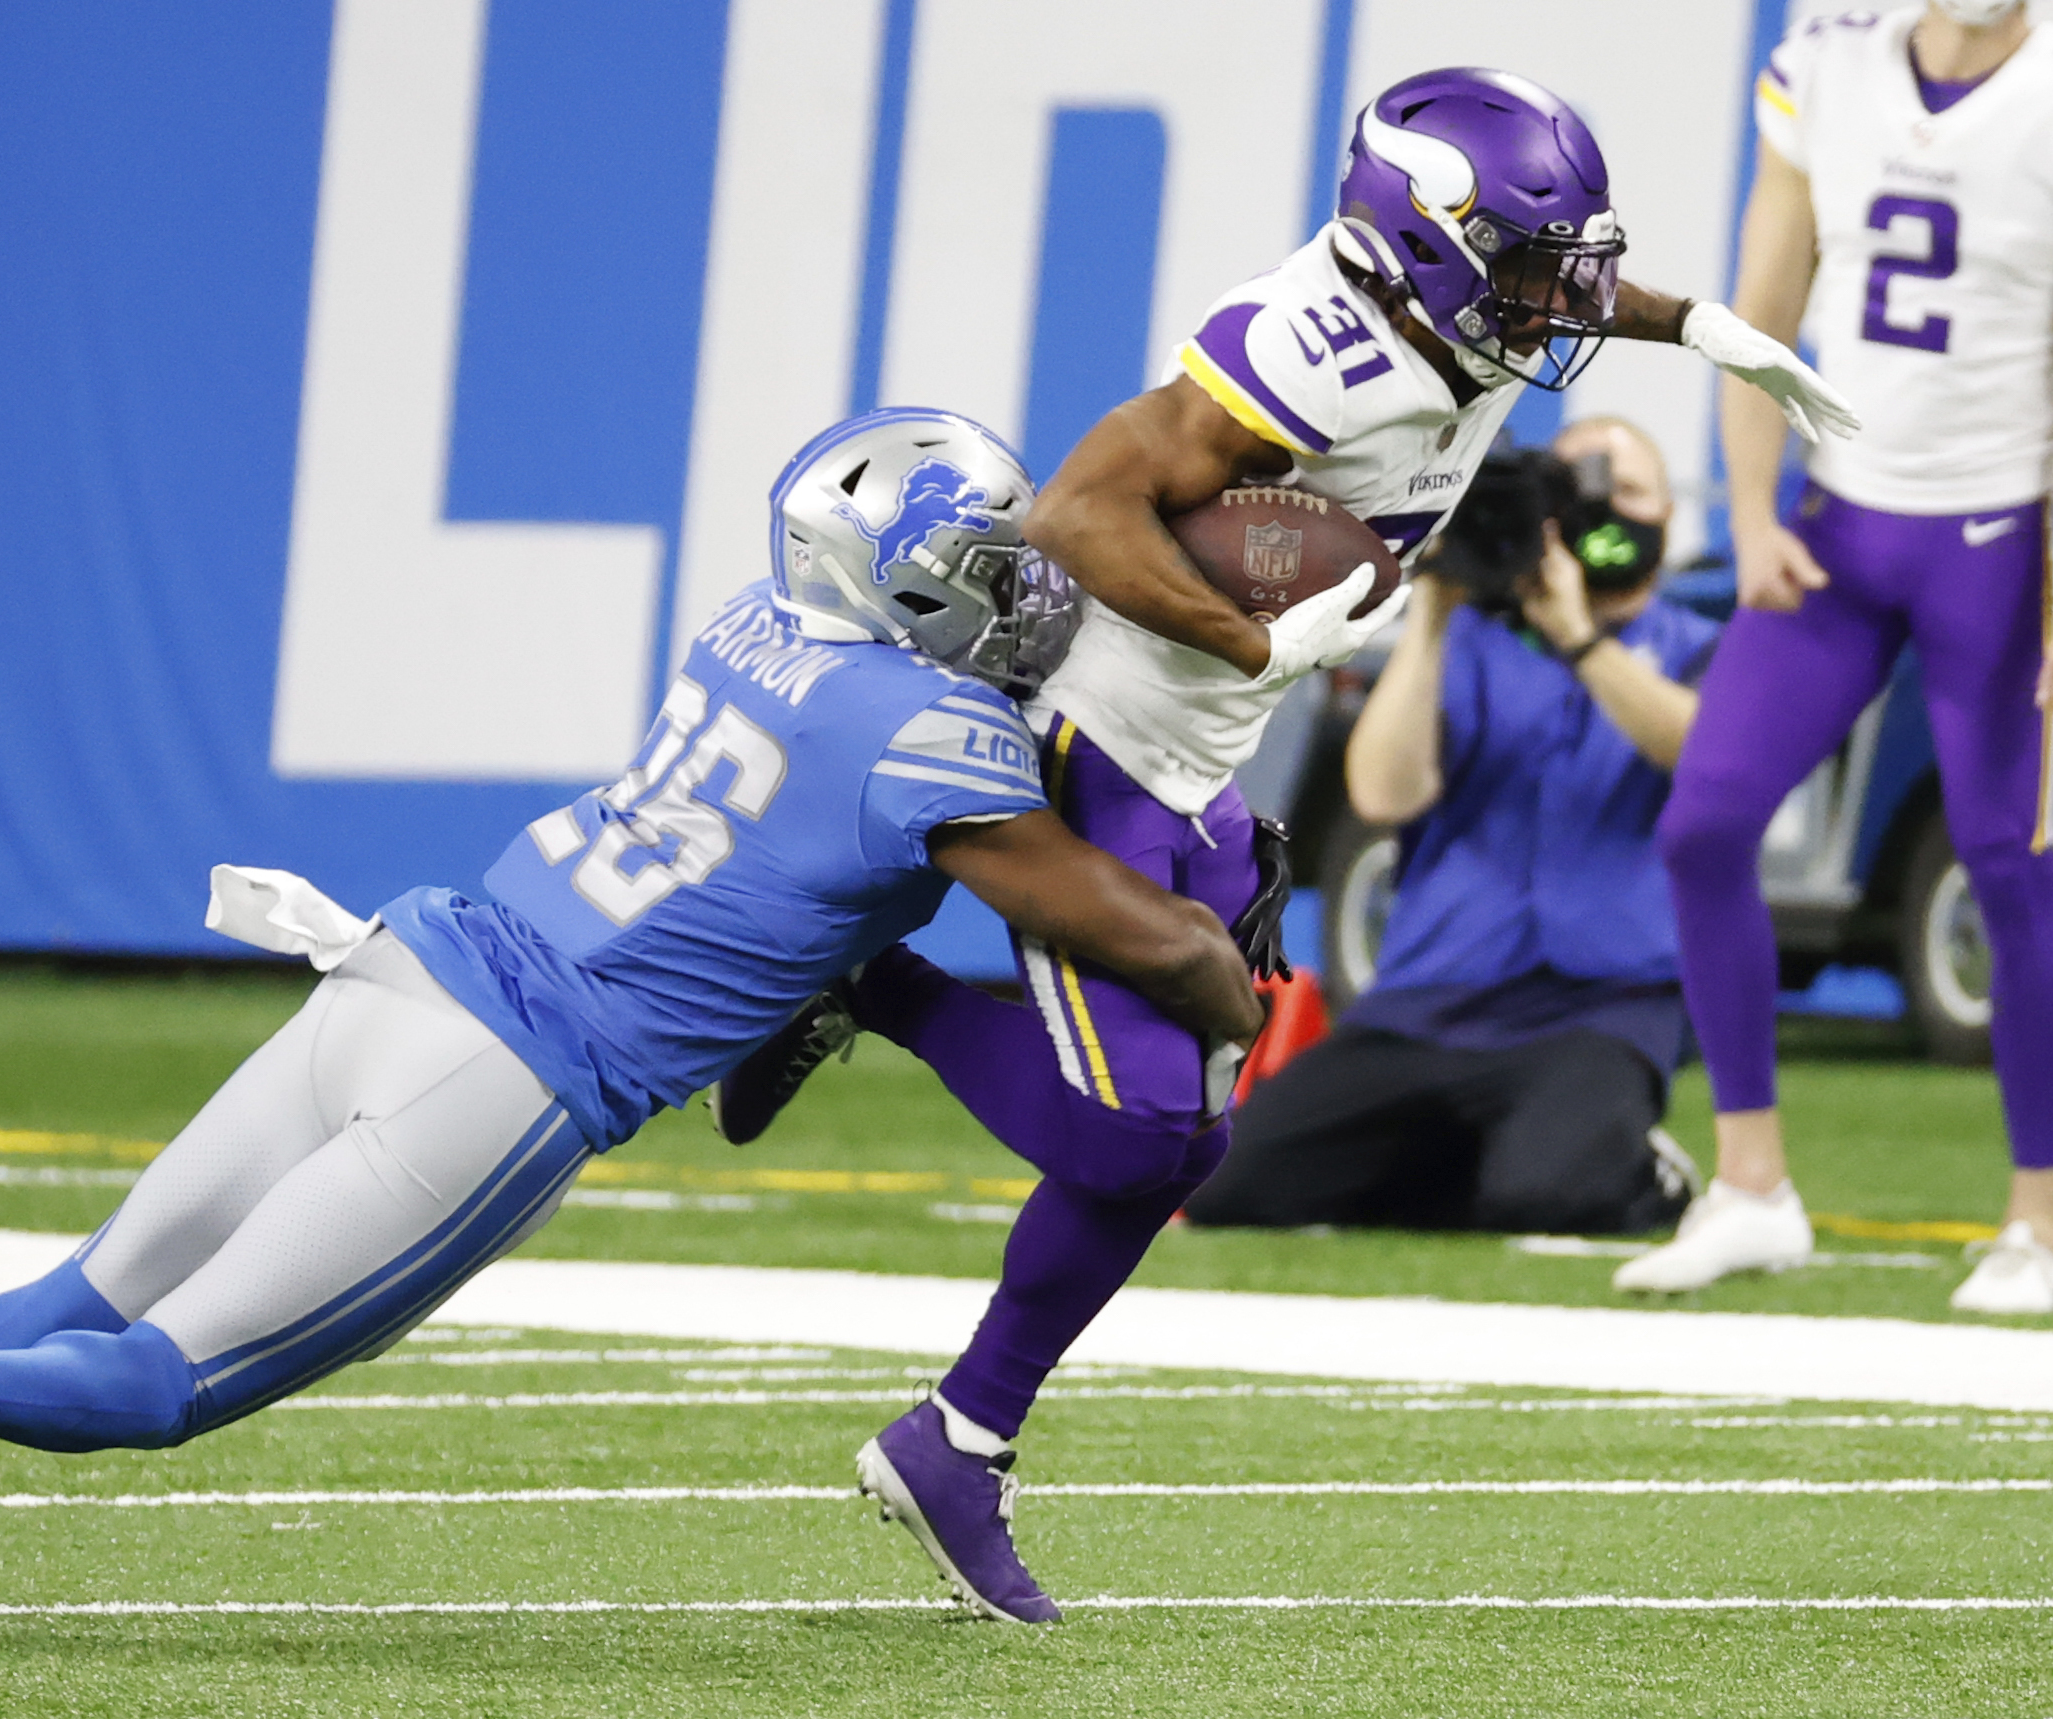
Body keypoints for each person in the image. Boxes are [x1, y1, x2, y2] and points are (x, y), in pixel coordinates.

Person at [0, 408, 1271, 1629]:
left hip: (404, 966)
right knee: (150, 1380)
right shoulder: (934, 745)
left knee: (85, 1281)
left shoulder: (752, 627)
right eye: (983, 574)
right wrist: (1225, 922)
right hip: (503, 1079)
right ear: (897, 590)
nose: (1025, 596)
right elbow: (1145, 946)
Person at [718, 67, 1853, 1622]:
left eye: (1562, 270)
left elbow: (1570, 283)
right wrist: (1251, 648)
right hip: (1095, 738)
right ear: (1427, 247)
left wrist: (1701, 329)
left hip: (1193, 762)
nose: (1554, 303)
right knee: (1130, 1137)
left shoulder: (1475, 310)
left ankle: (955, 1439)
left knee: (1191, 1136)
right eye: (1530, 271)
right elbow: (1074, 516)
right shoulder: (1309, 350)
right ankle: (877, 998)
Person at [1624, 2, 2053, 1308]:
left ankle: (2037, 1217)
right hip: (1843, 521)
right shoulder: (1827, 56)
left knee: (2008, 856)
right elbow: (1763, 294)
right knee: (1703, 821)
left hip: (2002, 524)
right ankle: (1749, 1184)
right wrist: (1749, 512)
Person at [1183, 418, 1715, 1235]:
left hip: (1598, 1004)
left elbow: (1703, 753)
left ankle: (1645, 1170)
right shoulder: (1465, 642)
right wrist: (1431, 604)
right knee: (1228, 1190)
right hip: (1429, 997)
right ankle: (1484, 1155)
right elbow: (1381, 794)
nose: (1602, 512)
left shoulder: (1697, 645)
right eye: (1573, 493)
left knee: (1543, 1200)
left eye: (1629, 491)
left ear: (1669, 516)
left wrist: (1576, 636)